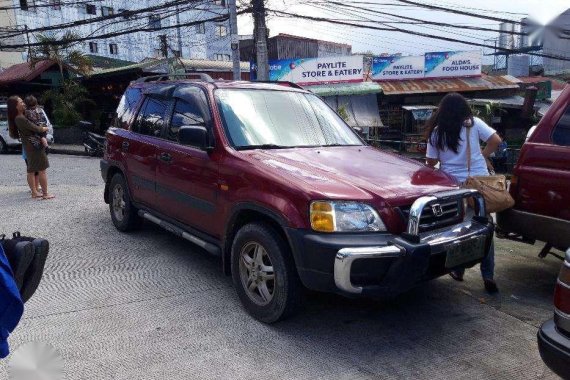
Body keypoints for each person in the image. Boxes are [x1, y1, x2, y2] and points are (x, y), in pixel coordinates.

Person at [424, 92, 502, 294]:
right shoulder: (474, 124)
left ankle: (458, 270)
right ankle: (488, 275)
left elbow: (430, 163)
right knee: (484, 228)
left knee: (459, 229)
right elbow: (496, 140)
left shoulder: (437, 132)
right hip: (478, 184)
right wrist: (481, 156)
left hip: (453, 188)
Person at [7, 96, 55, 200]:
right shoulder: (20, 118)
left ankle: (34, 192)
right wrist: (45, 128)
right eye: (20, 102)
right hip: (34, 146)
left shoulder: (21, 116)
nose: (23, 103)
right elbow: (35, 128)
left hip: (30, 146)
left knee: (32, 170)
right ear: (15, 106)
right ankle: (45, 193)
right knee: (42, 170)